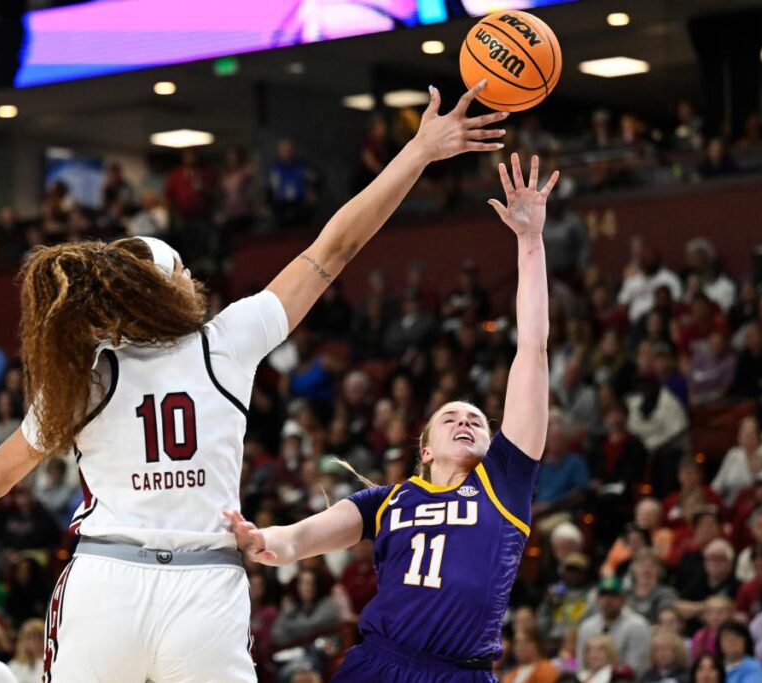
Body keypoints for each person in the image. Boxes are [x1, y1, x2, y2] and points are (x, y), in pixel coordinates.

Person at [0, 81, 509, 682]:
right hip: (203, 589)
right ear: (176, 287)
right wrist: (417, 151)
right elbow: (333, 249)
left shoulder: (84, 371)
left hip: (107, 582)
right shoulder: (226, 342)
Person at [228, 152, 558, 682]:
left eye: (476, 418)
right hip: (377, 664)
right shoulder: (387, 501)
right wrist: (261, 539)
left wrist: (530, 241)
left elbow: (533, 351)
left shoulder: (506, 481)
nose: (466, 421)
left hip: (458, 672)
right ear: (424, 447)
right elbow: (299, 538)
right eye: (450, 417)